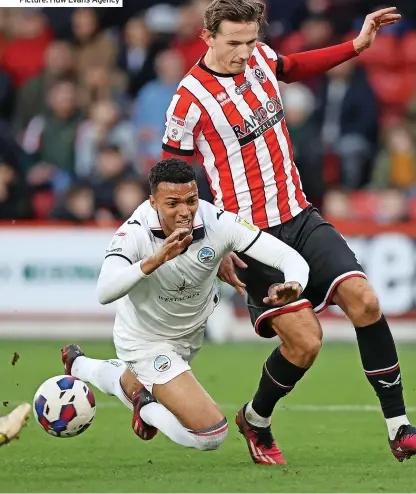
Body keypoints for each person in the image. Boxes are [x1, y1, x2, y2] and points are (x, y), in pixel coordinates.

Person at [160, 0, 416, 464]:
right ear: (207, 36)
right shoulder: (188, 101)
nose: (245, 53)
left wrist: (356, 45)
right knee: (305, 344)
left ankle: (400, 428)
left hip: (301, 216)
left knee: (365, 302)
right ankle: (256, 419)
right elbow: (172, 182)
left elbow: (292, 66)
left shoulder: (260, 55)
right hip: (251, 238)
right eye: (234, 43)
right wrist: (210, 244)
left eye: (251, 41)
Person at [61, 158, 309, 454]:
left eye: (191, 200)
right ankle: (146, 410)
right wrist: (153, 261)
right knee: (210, 434)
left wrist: (294, 283)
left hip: (189, 336)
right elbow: (104, 291)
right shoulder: (135, 232)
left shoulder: (217, 222)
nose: (185, 211)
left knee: (130, 382)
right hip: (145, 342)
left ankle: (79, 364)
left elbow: (288, 258)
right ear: (153, 202)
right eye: (172, 203)